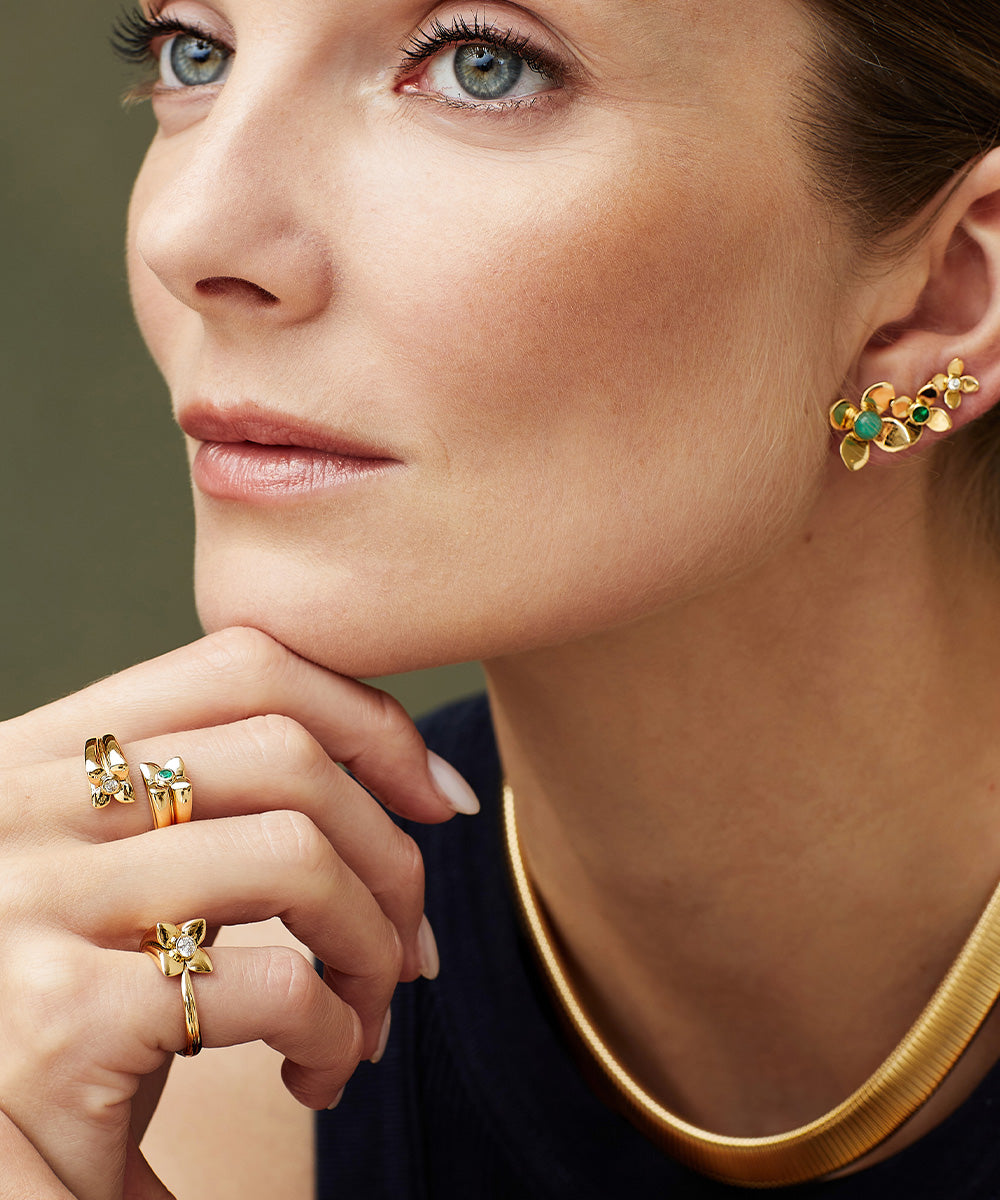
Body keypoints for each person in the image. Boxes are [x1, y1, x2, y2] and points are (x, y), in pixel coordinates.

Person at [4, 0, 1000, 1196]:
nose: (190, 232)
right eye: (194, 51)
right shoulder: (137, 1054)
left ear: (948, 295)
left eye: (483, 66)